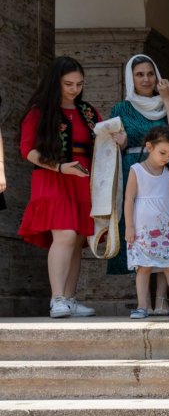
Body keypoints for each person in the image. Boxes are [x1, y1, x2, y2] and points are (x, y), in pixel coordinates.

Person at [19, 57, 121, 318]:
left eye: (79, 84)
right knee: (64, 235)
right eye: (68, 84)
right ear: (56, 82)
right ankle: (57, 299)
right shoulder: (39, 111)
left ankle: (71, 299)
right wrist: (60, 167)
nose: (75, 89)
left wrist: (119, 138)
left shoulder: (88, 111)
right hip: (52, 176)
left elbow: (102, 142)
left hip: (83, 178)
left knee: (76, 240)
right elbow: (28, 150)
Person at [108, 55, 169, 314]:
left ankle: (163, 301)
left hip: (167, 171)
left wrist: (167, 99)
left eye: (150, 73)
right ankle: (142, 302)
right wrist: (119, 141)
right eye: (139, 74)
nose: (146, 79)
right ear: (130, 78)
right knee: (141, 233)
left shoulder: (165, 103)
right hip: (135, 169)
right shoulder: (122, 108)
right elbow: (114, 142)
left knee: (166, 232)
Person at [124, 127, 169, 319]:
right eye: (163, 152)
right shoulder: (136, 170)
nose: (166, 157)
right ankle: (142, 306)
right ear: (149, 146)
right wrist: (129, 227)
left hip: (164, 230)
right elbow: (129, 199)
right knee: (143, 267)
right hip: (143, 230)